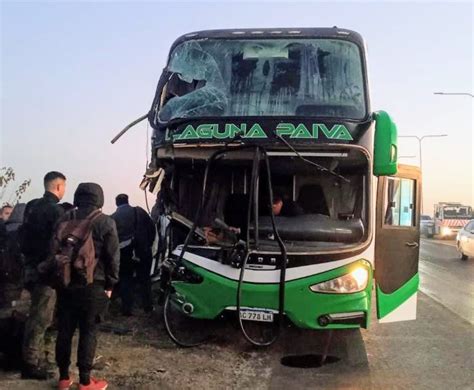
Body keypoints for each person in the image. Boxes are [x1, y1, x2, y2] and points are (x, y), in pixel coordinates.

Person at [55, 183, 119, 390]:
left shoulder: (65, 218)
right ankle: (85, 381)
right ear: (99, 199)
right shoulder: (105, 222)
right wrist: (111, 284)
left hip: (65, 283)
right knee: (89, 331)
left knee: (64, 330)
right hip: (94, 284)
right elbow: (113, 258)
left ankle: (63, 378)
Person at [20, 171, 66, 380]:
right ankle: (31, 363)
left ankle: (39, 358)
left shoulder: (31, 206)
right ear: (58, 187)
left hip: (28, 266)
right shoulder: (56, 212)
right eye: (64, 186)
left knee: (37, 315)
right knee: (41, 319)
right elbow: (58, 244)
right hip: (46, 272)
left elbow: (22, 235)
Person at [111, 194, 156, 316]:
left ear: (116, 203)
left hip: (124, 252)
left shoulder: (113, 218)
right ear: (127, 200)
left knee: (126, 279)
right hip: (142, 250)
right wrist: (148, 244)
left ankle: (127, 309)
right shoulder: (139, 211)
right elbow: (152, 228)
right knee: (145, 279)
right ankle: (148, 306)